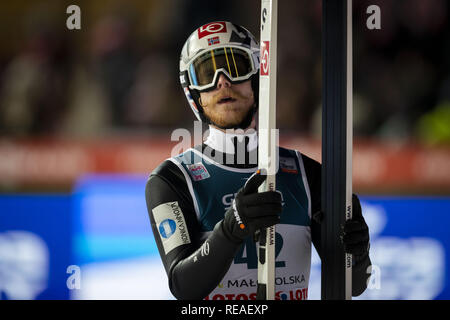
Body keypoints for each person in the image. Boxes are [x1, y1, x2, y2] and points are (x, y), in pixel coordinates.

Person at [145, 21, 371, 300]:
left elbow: (353, 285)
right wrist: (231, 230)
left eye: (235, 66)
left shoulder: (306, 174)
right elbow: (183, 286)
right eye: (206, 73)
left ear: (257, 79)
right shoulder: (173, 179)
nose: (222, 81)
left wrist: (357, 254)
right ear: (194, 93)